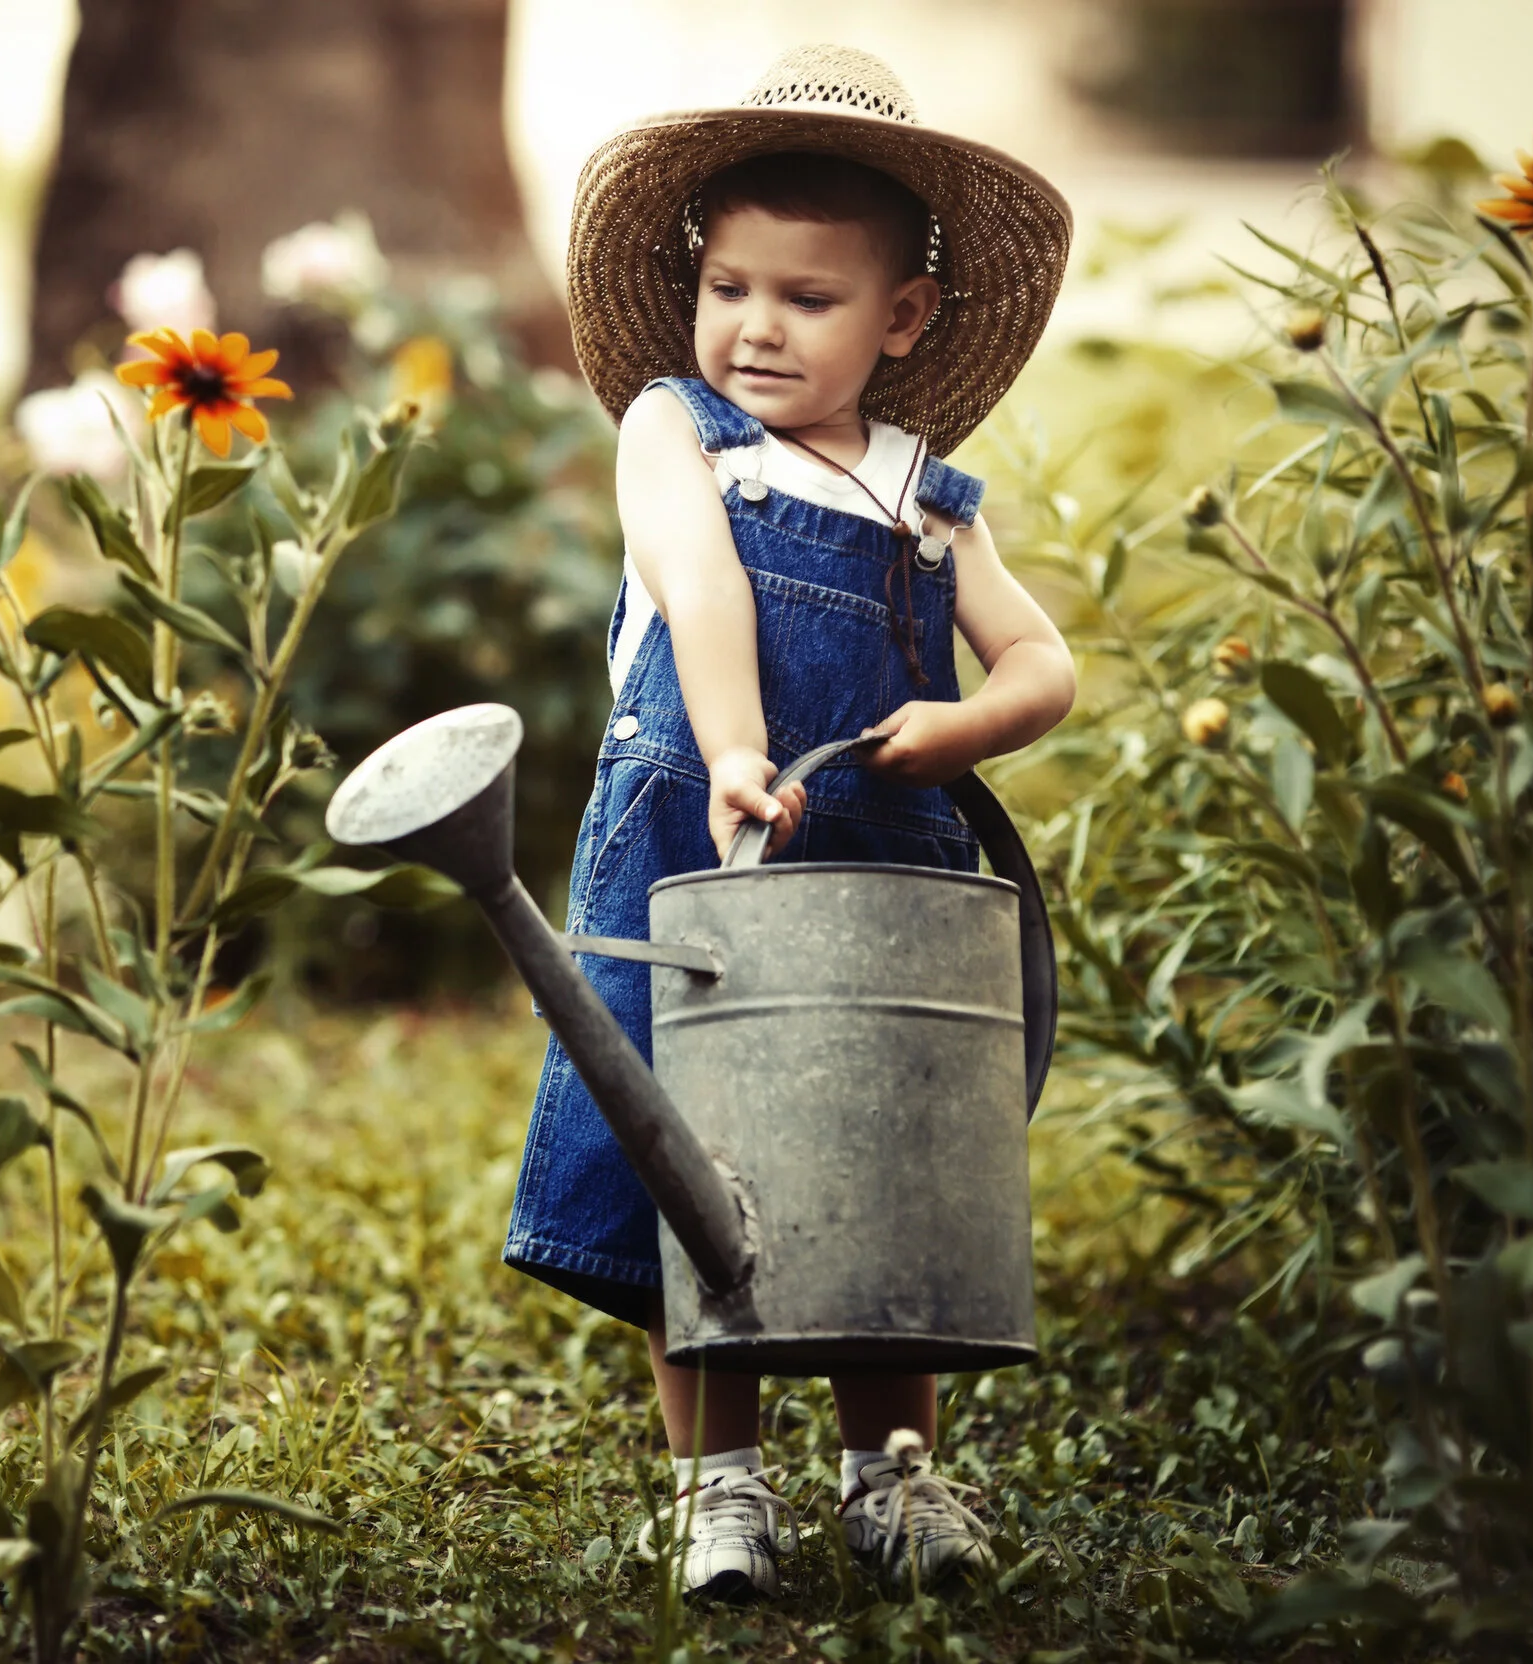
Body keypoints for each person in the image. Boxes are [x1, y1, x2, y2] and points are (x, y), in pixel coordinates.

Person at [502, 44, 1078, 1601]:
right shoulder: (674, 432)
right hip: (702, 839)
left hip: (885, 869)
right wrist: (743, 748)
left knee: (881, 1170)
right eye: (731, 287)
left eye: (807, 300)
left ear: (900, 321)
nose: (756, 327)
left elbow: (1045, 663)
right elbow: (700, 588)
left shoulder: (926, 498)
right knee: (694, 1180)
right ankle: (718, 1487)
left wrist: (967, 725)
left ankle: (893, 1475)